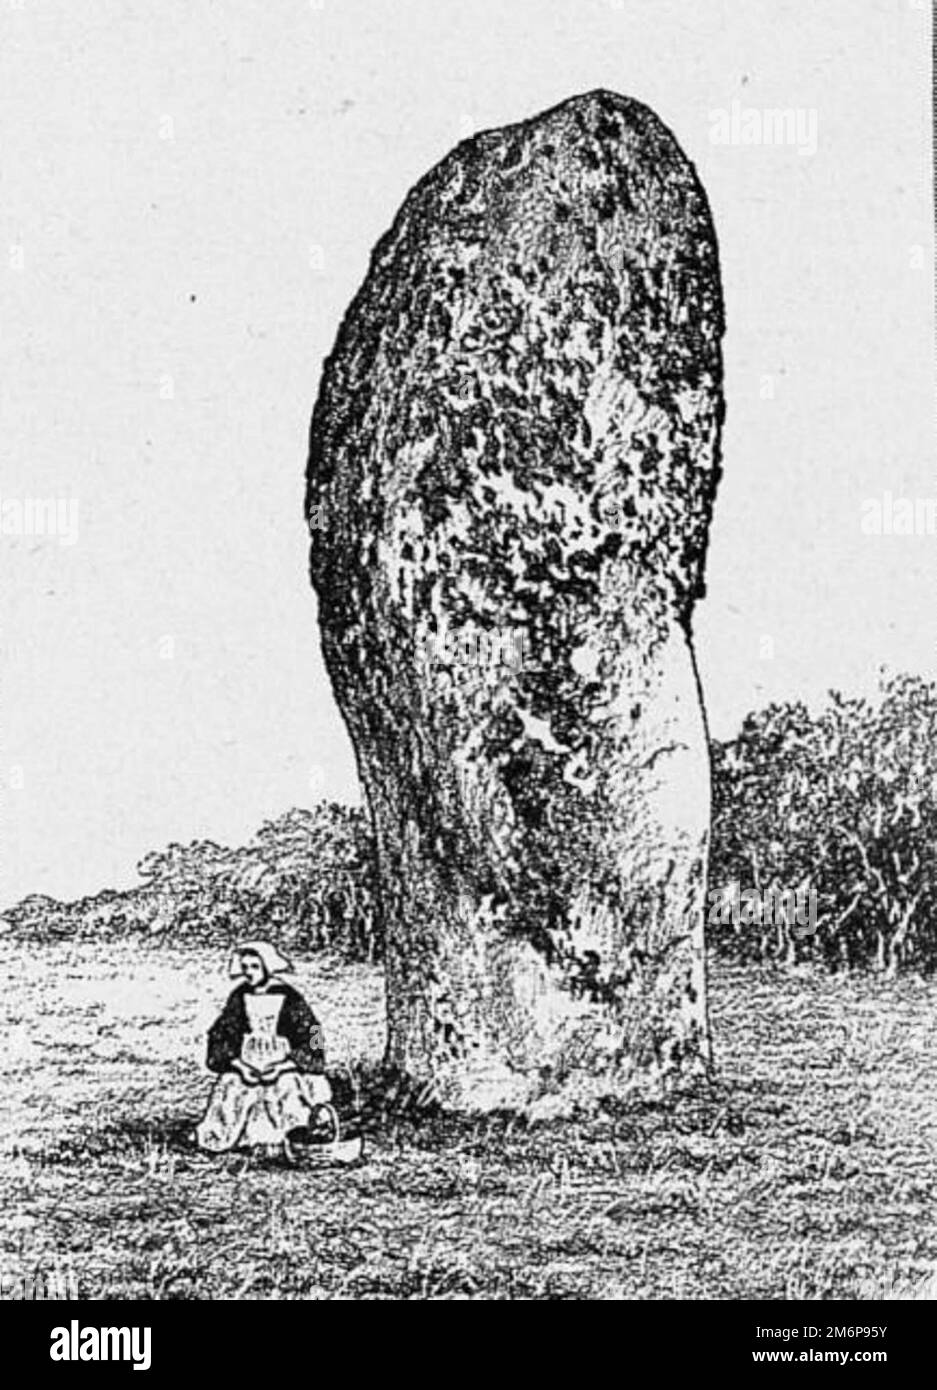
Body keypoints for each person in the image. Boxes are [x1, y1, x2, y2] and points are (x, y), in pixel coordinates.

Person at [195, 940, 335, 1157]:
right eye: (245, 967)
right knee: (233, 1087)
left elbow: (314, 1032)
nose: (249, 973)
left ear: (267, 966)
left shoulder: (290, 996)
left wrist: (286, 1065)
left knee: (285, 1089)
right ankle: (238, 1139)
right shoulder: (239, 996)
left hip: (282, 1061)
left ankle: (285, 1142)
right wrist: (239, 1065)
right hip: (248, 1061)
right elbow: (220, 1032)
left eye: (254, 967)